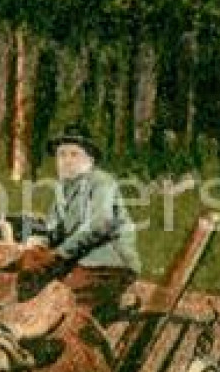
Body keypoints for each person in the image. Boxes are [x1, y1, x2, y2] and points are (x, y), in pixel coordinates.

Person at [15, 124, 141, 320]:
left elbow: (99, 224)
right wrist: (40, 242)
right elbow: (54, 230)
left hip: (107, 263)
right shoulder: (62, 189)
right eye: (61, 155)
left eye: (74, 154)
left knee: (62, 304)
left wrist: (60, 253)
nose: (67, 161)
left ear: (89, 159)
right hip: (77, 262)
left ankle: (76, 342)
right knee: (28, 268)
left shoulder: (101, 182)